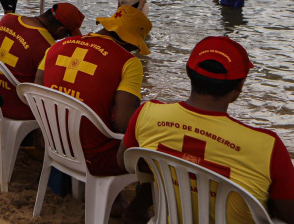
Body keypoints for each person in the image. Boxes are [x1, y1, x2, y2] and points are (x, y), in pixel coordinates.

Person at [118, 36, 294, 223]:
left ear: (188, 72)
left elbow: (124, 162)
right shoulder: (267, 146)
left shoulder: (147, 113)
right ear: (240, 86)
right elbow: (289, 214)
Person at [35, 5, 152, 180]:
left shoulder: (57, 47)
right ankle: (123, 202)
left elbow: (37, 93)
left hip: (49, 142)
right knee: (152, 156)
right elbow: (122, 125)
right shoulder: (129, 62)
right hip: (91, 156)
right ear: (130, 41)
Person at [0, 3, 84, 120]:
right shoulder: (48, 47)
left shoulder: (7, 19)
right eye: (68, 34)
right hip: (18, 107)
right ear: (60, 29)